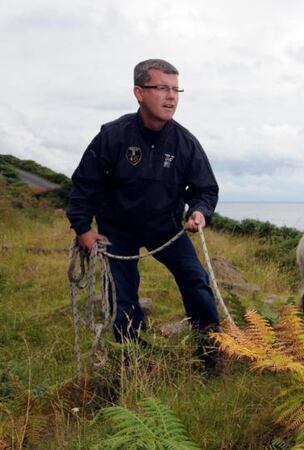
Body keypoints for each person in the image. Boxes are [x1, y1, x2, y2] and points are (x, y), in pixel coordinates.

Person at [67, 59, 220, 354]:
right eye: (162, 87)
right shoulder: (113, 135)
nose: (172, 96)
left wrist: (200, 211)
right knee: (122, 297)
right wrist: (83, 229)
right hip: (117, 231)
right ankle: (133, 357)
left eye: (176, 89)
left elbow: (205, 189)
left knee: (196, 281)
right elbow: (85, 184)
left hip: (166, 229)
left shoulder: (185, 143)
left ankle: (210, 349)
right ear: (139, 92)